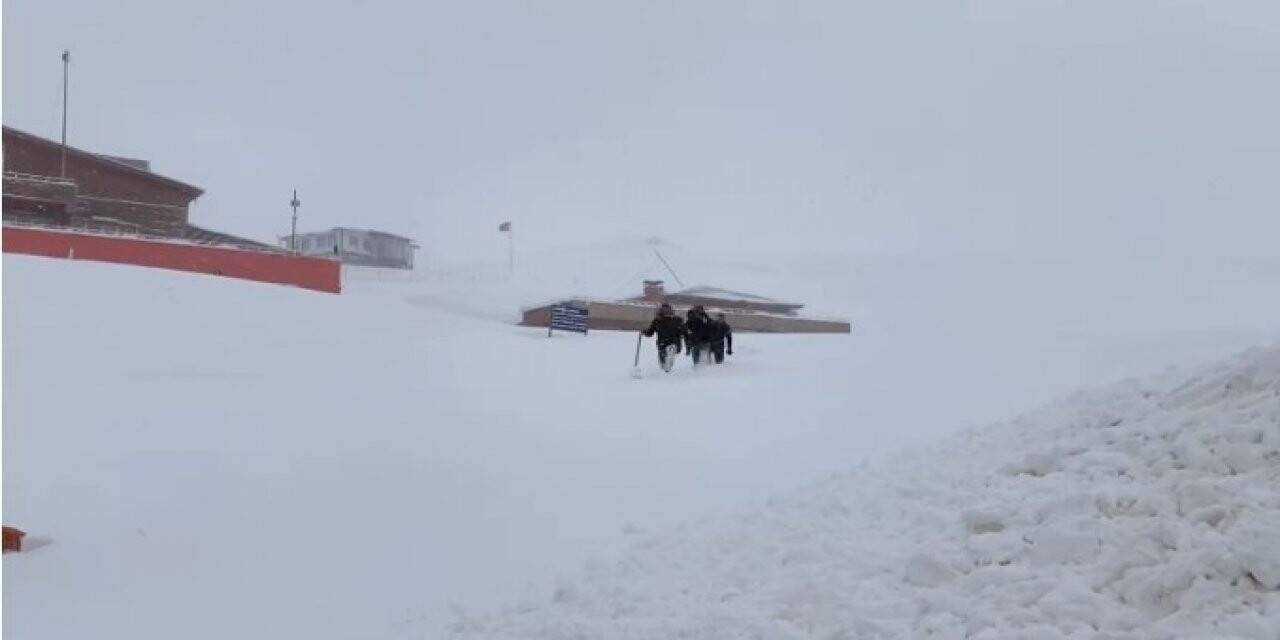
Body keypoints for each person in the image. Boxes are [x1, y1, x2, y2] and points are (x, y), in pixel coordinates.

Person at [641, 303, 685, 371]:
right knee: (670, 355)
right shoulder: (678, 320)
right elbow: (683, 331)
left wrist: (644, 332)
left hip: (662, 342)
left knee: (662, 361)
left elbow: (650, 333)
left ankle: (665, 369)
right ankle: (671, 353)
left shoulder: (657, 320)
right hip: (675, 342)